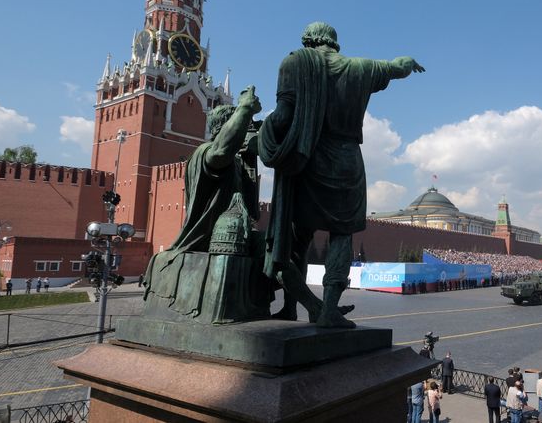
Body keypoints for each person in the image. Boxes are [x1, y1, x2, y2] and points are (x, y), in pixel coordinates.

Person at [258, 22, 424, 328]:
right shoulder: (360, 67)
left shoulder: (294, 61)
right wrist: (409, 63)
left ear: (308, 40)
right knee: (342, 234)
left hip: (305, 159)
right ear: (335, 43)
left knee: (296, 235)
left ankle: (291, 306)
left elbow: (282, 115)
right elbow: (397, 67)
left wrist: (264, 137)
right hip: (346, 160)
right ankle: (329, 309)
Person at [143, 87, 271, 322]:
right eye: (240, 125)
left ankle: (311, 308)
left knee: (276, 246)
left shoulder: (236, 163)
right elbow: (221, 152)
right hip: (209, 237)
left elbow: (252, 211)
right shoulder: (204, 154)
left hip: (235, 229)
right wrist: (244, 108)